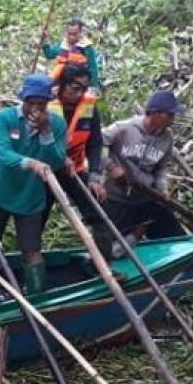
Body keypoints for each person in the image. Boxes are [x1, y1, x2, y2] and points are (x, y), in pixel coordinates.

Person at [0, 74, 68, 304]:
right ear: (23, 100)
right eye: (31, 103)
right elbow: (3, 155)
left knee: (31, 249)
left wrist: (45, 133)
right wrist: (30, 163)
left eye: (41, 105)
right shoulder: (3, 119)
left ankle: (38, 298)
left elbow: (57, 160)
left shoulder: (57, 124)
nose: (35, 109)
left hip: (31, 197)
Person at [103, 90, 186, 252]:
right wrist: (111, 167)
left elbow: (161, 169)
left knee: (173, 238)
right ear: (155, 114)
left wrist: (162, 189)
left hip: (145, 197)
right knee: (115, 248)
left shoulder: (167, 138)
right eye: (169, 115)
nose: (173, 120)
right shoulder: (124, 129)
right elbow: (97, 144)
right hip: (117, 199)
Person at [45, 64, 114, 257]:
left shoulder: (89, 107)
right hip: (44, 172)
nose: (80, 94)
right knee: (34, 219)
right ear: (62, 86)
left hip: (72, 170)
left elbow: (95, 143)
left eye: (84, 89)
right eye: (76, 88)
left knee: (100, 210)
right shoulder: (45, 104)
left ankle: (103, 264)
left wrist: (95, 175)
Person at [42, 18, 102, 95]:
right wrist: (45, 40)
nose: (71, 37)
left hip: (79, 80)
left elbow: (93, 66)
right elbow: (49, 54)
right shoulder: (63, 44)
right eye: (69, 34)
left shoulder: (86, 46)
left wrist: (94, 86)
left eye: (74, 34)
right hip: (62, 80)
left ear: (80, 33)